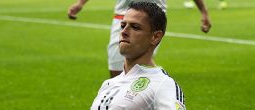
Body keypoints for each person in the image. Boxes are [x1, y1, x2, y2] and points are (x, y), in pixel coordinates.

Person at [0, 2, 196, 110]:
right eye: (123, 25)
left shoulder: (162, 83)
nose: (124, 31)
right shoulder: (109, 84)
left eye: (135, 27)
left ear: (155, 36)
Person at [68, 0, 211, 78]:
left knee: (137, 66)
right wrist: (80, 3)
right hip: (124, 17)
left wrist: (204, 11)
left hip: (153, 18)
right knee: (118, 71)